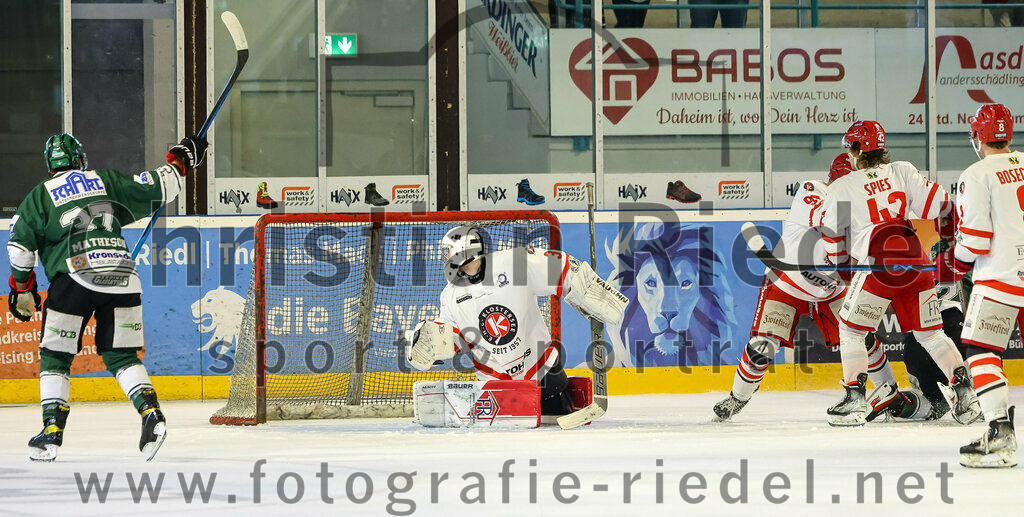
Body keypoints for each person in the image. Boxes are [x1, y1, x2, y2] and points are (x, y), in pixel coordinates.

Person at [7, 132, 206, 461]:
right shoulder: (106, 181)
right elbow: (160, 185)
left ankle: (52, 431)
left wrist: (22, 288)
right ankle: (151, 415)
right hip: (122, 277)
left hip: (73, 278)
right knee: (122, 357)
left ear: (50, 166)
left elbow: (19, 248)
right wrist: (183, 160)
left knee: (56, 355)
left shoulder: (39, 197)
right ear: (80, 160)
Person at [816, 120, 979, 426]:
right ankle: (966, 392)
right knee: (931, 333)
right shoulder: (902, 171)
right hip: (915, 258)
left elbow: (832, 238)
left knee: (852, 330)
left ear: (855, 149)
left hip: (878, 262)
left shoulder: (841, 186)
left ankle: (854, 399)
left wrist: (844, 268)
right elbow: (943, 205)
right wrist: (947, 236)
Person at [404, 226, 627, 416]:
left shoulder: (514, 263)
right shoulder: (450, 294)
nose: (445, 257)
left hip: (541, 370)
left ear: (462, 251)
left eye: (447, 251)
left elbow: (561, 267)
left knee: (553, 432)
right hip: (495, 384)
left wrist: (586, 286)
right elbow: (454, 336)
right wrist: (432, 342)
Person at [715, 154, 869, 420]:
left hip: (831, 290)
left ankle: (886, 394)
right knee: (762, 347)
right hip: (786, 283)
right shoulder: (812, 190)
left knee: (863, 339)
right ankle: (736, 398)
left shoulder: (861, 208)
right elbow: (830, 222)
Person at [953, 103, 1021, 468]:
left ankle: (999, 433)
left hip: (1000, 277)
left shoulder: (977, 173)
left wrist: (952, 264)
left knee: (981, 350)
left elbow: (976, 239)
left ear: (978, 136)